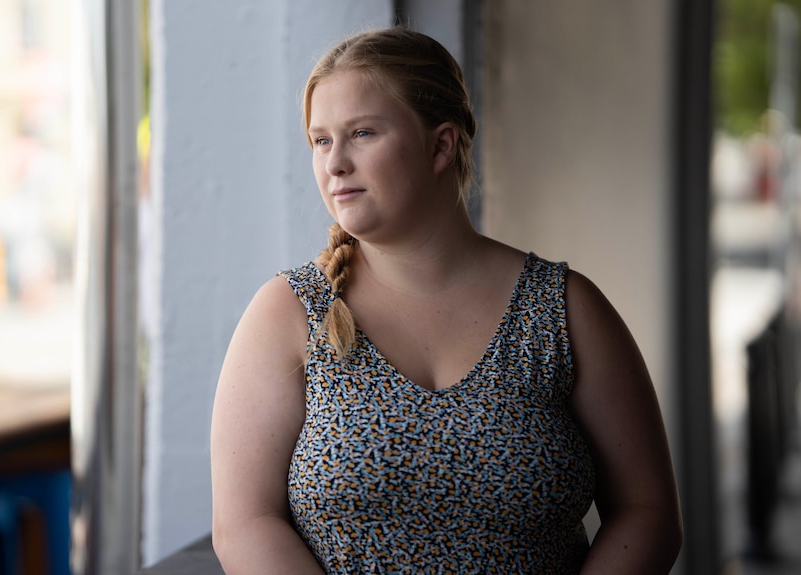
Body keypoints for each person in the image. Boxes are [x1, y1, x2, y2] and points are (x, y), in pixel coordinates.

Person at [210, 27, 682, 574]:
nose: (334, 163)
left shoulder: (564, 309)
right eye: (320, 140)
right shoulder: (289, 312)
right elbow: (243, 523)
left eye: (361, 133)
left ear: (441, 144)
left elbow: (647, 513)